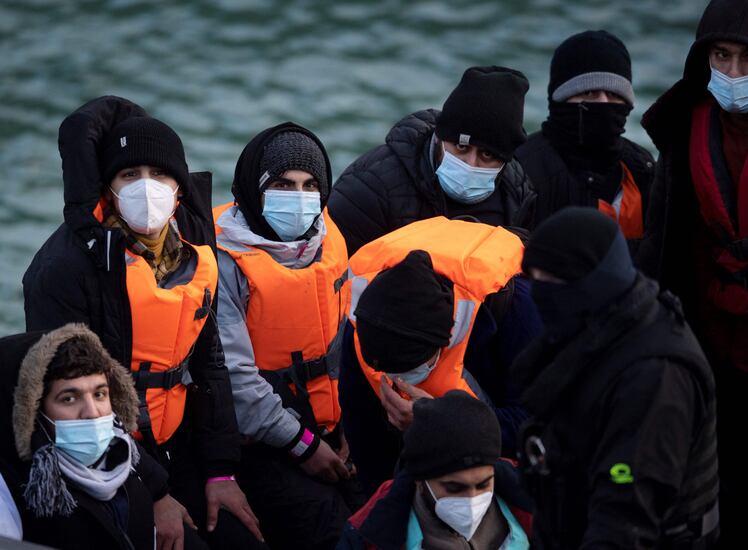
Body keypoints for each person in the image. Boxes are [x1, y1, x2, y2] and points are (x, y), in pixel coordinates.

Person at [22, 97, 265, 549]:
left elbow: (209, 364)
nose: (146, 187)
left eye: (159, 174)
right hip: (107, 457)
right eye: (129, 175)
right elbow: (71, 400)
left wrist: (221, 470)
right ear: (109, 188)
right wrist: (152, 491)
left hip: (182, 444)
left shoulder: (192, 252)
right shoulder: (63, 270)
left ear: (178, 188)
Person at [638, 0, 748, 543]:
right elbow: (663, 245)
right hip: (717, 348)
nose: (733, 74)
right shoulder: (685, 130)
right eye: (721, 56)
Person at [512, 207, 719, 549]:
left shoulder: (655, 375)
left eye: (555, 281)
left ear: (596, 281)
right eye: (534, 279)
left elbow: (625, 518)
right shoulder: (592, 333)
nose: (542, 295)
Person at [213, 123, 357, 549]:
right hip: (260, 445)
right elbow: (236, 378)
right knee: (330, 530)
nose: (298, 197)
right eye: (282, 184)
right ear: (254, 192)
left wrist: (355, 419)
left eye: (310, 185)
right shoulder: (223, 263)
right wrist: (302, 445)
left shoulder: (330, 241)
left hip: (334, 426)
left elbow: (348, 339)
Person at [340, 217, 540, 493]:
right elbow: (362, 425)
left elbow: (540, 423)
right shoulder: (364, 321)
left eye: (417, 367)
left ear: (445, 342)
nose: (404, 380)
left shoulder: (520, 310)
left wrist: (439, 421)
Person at [0, 323, 189, 550]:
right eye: (69, 398)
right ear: (32, 411)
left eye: (100, 394)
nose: (92, 412)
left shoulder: (124, 457)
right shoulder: (14, 489)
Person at [328, 65, 534, 255]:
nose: (470, 164)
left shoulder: (517, 193)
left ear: (505, 160)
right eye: (461, 147)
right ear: (439, 138)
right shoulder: (370, 186)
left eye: (487, 155)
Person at [338, 390, 532, 550]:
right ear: (420, 481)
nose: (472, 501)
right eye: (454, 488)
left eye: (483, 485)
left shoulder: (536, 506)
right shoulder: (367, 536)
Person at [515, 30, 654, 251]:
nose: (603, 103)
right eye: (589, 93)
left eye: (614, 95)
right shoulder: (524, 169)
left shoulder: (641, 167)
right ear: (560, 99)